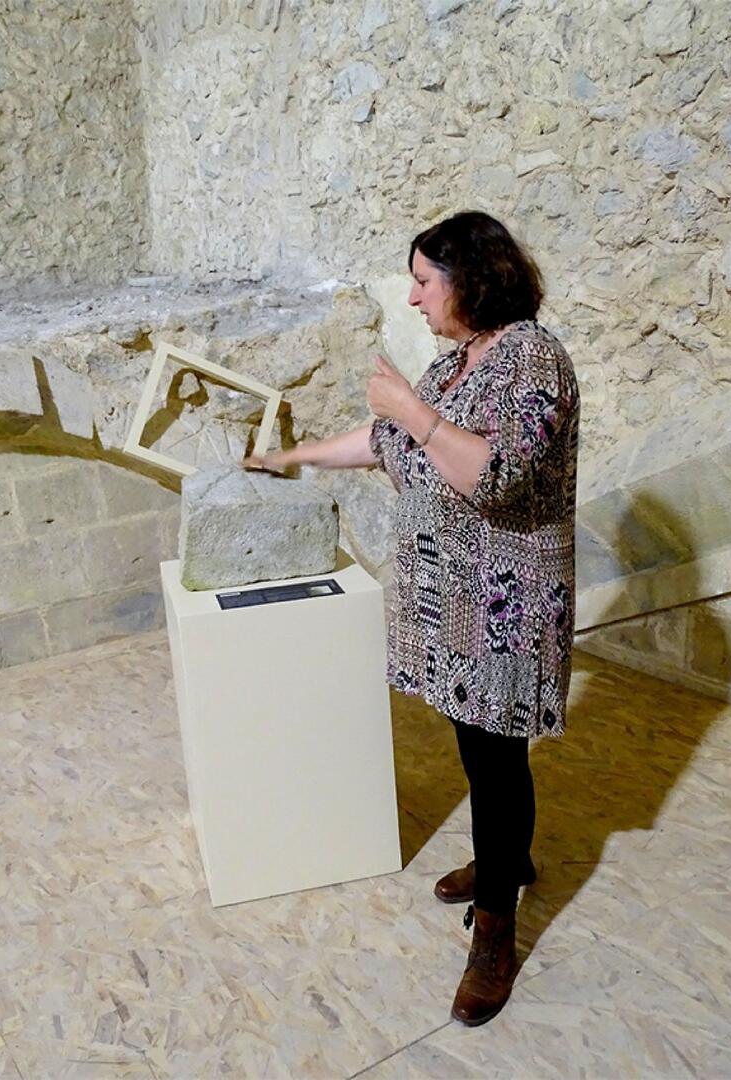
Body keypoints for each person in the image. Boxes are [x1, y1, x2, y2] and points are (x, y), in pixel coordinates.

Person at [245, 210, 579, 1027]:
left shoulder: (532, 359)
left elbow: (494, 474)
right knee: (477, 747)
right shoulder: (459, 361)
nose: (414, 297)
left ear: (473, 280)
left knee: (496, 761)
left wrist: (410, 408)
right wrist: (293, 458)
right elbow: (385, 439)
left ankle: (496, 928)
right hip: (453, 604)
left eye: (425, 281)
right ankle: (505, 861)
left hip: (505, 606)